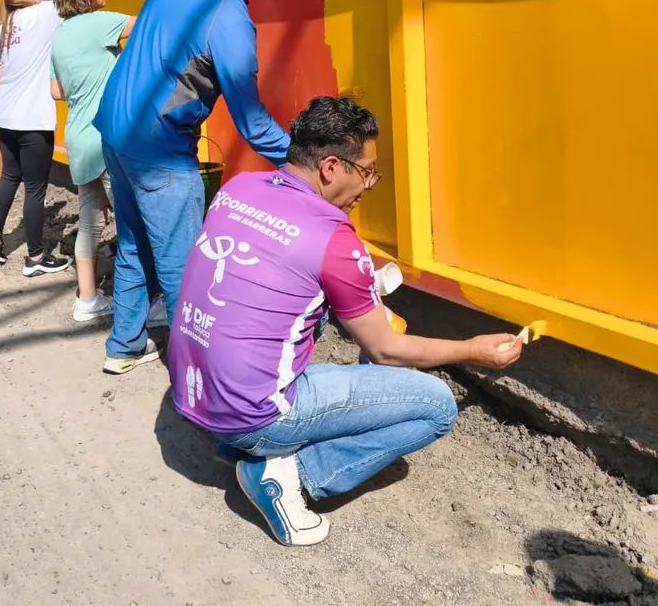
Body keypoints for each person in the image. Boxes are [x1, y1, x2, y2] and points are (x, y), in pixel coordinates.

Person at [168, 96, 524, 546]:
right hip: (252, 413)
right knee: (437, 406)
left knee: (302, 318)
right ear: (332, 167)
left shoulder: (239, 188)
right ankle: (285, 473)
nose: (369, 185)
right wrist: (474, 350)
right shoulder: (335, 235)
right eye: (367, 171)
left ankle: (240, 442)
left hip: (193, 391)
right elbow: (385, 350)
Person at [93, 0, 299, 373]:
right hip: (159, 150)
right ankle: (197, 372)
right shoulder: (232, 21)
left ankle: (124, 345)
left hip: (114, 129)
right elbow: (252, 123)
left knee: (133, 242)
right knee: (184, 265)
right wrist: (300, 160)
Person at [48, 0, 145, 323]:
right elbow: (149, 26)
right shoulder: (101, 24)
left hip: (78, 138)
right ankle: (145, 302)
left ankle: (87, 299)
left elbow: (57, 91)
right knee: (132, 220)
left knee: (90, 222)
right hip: (109, 138)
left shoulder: (60, 36)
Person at [0, 0, 70, 277]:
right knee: (35, 189)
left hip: (7, 117)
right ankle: (35, 257)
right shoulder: (44, 13)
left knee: (10, 179)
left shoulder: (8, 24)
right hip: (33, 119)